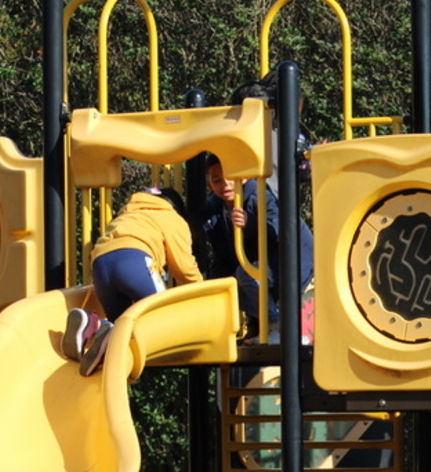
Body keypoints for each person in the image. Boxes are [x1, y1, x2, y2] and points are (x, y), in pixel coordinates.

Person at [64, 186, 203, 376]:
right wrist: (201, 292)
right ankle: (101, 331)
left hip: (100, 266)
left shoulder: (127, 214)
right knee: (161, 316)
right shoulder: (172, 217)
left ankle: (95, 326)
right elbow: (184, 267)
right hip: (134, 261)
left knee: (122, 332)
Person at [199, 153, 314, 337]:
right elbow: (223, 255)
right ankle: (266, 321)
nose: (225, 184)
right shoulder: (213, 212)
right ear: (209, 184)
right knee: (227, 286)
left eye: (230, 177)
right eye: (217, 180)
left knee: (245, 273)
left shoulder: (261, 195)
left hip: (293, 260)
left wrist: (252, 223)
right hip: (261, 264)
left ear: (243, 176)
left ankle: (275, 322)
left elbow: (280, 230)